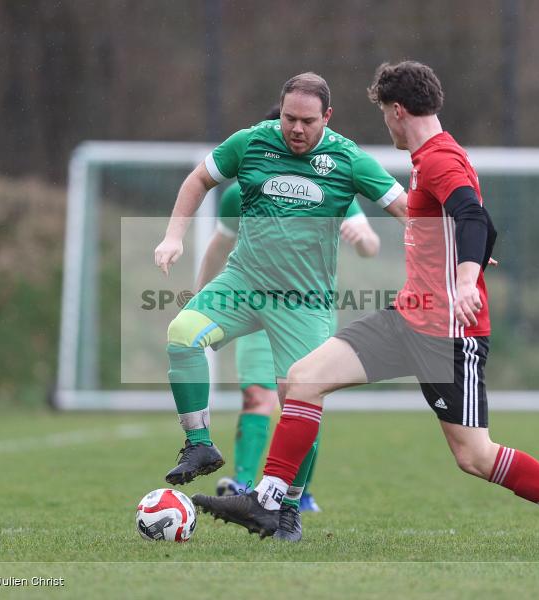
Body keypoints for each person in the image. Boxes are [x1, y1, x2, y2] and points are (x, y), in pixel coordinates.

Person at [191, 61, 539, 557]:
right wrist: (470, 252)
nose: (386, 126)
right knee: (303, 379)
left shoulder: (438, 159)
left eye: (384, 115)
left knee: (474, 456)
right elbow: (476, 225)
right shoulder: (428, 158)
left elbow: (474, 215)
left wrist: (467, 278)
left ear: (397, 111)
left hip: (448, 334)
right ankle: (270, 501)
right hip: (408, 317)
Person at [153, 72, 407, 540]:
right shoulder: (251, 142)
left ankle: (287, 509)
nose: (296, 128)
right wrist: (173, 237)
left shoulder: (348, 158)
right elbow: (198, 179)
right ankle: (199, 444)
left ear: (327, 117)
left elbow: (407, 210)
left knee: (301, 400)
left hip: (304, 302)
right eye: (289, 118)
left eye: (307, 121)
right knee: (182, 334)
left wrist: (458, 255)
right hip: (243, 283)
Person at [199, 106, 382, 512]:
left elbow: (371, 244)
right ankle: (244, 485)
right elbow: (219, 246)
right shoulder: (242, 190)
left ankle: (298, 495)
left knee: (301, 401)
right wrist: (201, 301)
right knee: (256, 396)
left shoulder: (330, 180)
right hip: (253, 308)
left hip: (305, 309)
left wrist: (362, 237)